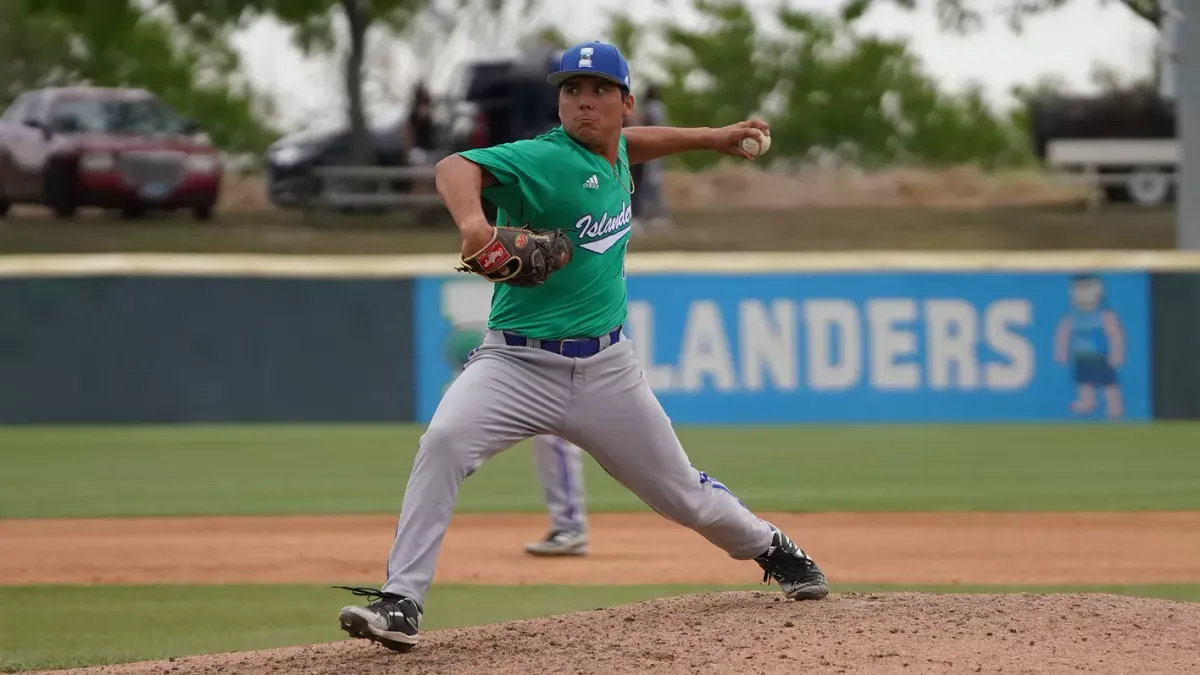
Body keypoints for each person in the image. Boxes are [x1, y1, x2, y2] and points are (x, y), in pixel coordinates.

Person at [335, 40, 829, 654]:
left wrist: (711, 136)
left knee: (683, 496)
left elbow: (634, 144)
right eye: (571, 90)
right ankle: (401, 602)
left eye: (598, 91)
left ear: (625, 103)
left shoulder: (616, 146)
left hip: (607, 371)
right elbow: (454, 167)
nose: (583, 102)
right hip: (515, 364)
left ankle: (772, 548)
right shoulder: (543, 158)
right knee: (442, 443)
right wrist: (472, 223)